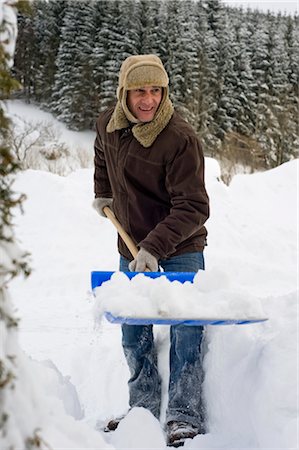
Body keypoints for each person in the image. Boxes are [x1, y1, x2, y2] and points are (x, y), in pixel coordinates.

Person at [93, 54, 209, 447]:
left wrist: (155, 247)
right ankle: (141, 410)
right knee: (134, 331)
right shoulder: (109, 124)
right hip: (131, 245)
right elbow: (101, 156)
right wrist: (103, 193)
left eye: (156, 90)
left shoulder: (180, 138)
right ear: (124, 93)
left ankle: (183, 415)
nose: (148, 100)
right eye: (140, 91)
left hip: (179, 246)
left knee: (186, 331)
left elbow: (194, 206)